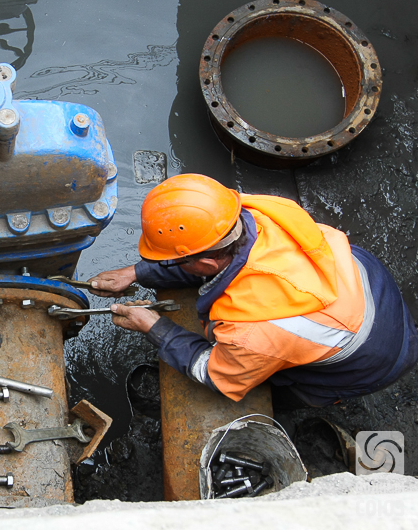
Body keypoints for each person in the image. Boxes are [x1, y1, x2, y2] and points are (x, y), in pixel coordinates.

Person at [90, 174, 418, 407]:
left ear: (203, 263)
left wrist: (153, 326)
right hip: (373, 291)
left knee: (285, 391)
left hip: (375, 357)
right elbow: (217, 258)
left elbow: (215, 374)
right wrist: (135, 272)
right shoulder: (259, 213)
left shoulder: (253, 333)